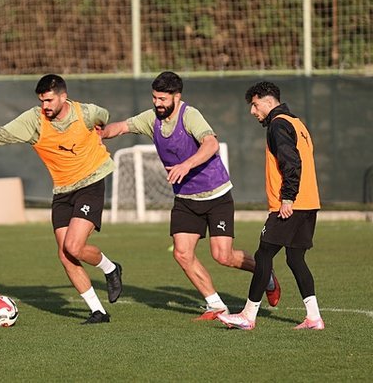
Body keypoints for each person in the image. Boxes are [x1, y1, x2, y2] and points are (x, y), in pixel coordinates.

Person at [100, 71, 280, 320]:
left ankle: (266, 274)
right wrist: (100, 134)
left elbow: (211, 143)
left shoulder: (190, 115)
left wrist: (186, 165)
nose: (157, 103)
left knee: (223, 256)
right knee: (182, 253)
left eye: (162, 99)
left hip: (216, 195)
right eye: (154, 98)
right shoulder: (151, 118)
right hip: (186, 199)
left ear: (177, 96)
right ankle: (216, 305)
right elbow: (121, 127)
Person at [0, 74, 123, 325]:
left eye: (49, 100)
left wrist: (101, 127)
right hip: (62, 190)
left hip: (92, 182)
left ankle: (110, 268)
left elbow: (103, 115)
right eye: (42, 101)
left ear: (63, 97)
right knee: (65, 255)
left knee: (74, 246)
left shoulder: (85, 113)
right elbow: (4, 133)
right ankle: (98, 312)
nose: (45, 106)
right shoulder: (34, 120)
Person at [218, 82, 324, 330]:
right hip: (309, 203)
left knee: (263, 254)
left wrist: (287, 198)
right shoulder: (297, 123)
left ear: (268, 101)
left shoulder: (278, 124)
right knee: (295, 258)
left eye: (255, 105)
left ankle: (248, 316)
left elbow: (291, 162)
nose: (252, 111)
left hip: (290, 205)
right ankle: (314, 318)